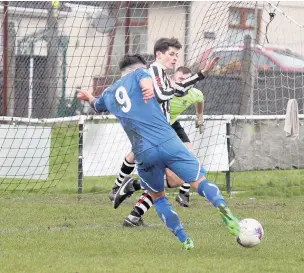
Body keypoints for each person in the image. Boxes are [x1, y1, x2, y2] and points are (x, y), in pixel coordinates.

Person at [78, 54, 240, 250]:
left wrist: (88, 97)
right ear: (141, 67)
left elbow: (97, 106)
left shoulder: (109, 93)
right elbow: (147, 81)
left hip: (143, 152)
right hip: (168, 140)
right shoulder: (140, 73)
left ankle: (185, 240)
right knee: (199, 181)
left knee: (158, 197)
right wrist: (147, 84)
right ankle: (226, 212)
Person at [109, 38, 206, 204]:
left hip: (170, 124)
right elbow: (163, 94)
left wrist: (199, 116)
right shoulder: (154, 74)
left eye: (177, 55)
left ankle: (181, 194)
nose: (175, 58)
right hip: (155, 127)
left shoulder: (187, 89)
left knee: (184, 161)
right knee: (151, 165)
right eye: (172, 54)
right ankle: (120, 187)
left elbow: (187, 93)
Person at [122, 66, 205, 227]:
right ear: (173, 78)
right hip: (158, 132)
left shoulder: (193, 93)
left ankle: (134, 212)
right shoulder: (165, 91)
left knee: (180, 173)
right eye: (179, 79)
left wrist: (199, 116)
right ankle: (134, 193)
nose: (182, 82)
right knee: (170, 177)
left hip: (171, 128)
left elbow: (200, 99)